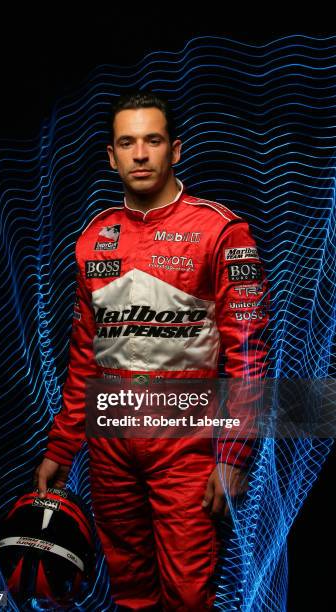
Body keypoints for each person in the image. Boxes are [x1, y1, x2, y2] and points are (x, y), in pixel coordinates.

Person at [33, 90, 270, 611]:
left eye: (153, 140)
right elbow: (83, 361)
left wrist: (234, 456)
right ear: (111, 156)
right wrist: (60, 448)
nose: (141, 154)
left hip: (185, 449)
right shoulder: (94, 239)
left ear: (176, 150)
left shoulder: (222, 233)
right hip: (110, 450)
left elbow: (248, 356)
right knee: (131, 593)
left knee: (188, 595)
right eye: (128, 142)